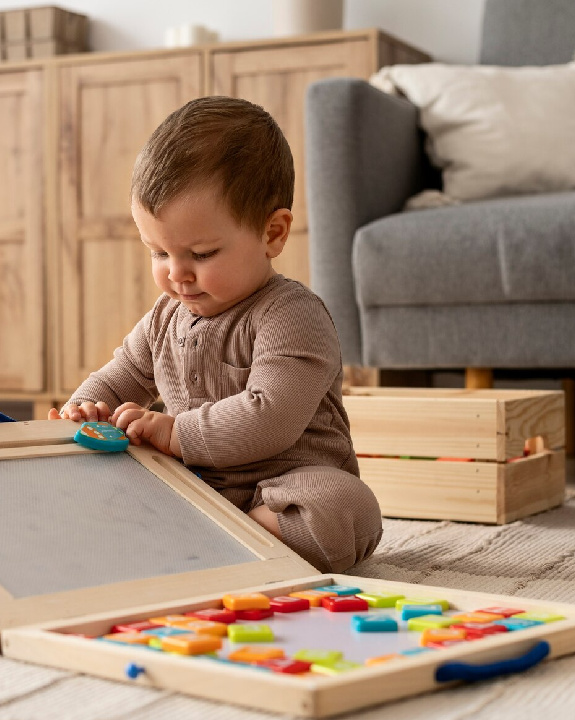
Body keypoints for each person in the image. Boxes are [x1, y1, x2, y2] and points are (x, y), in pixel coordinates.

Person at [50, 96, 382, 573]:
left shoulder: (292, 314)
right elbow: (118, 375)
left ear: (273, 233)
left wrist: (174, 431)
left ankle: (231, 540)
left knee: (343, 507)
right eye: (158, 253)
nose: (176, 275)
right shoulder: (166, 317)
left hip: (287, 486)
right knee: (105, 483)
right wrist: (82, 409)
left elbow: (270, 416)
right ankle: (211, 539)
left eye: (201, 254)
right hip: (196, 485)